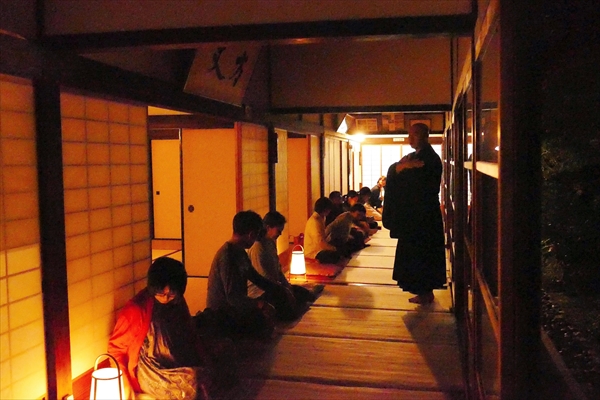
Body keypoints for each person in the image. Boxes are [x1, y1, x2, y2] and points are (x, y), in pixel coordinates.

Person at [108, 257, 211, 400]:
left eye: (171, 293)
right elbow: (115, 350)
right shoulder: (137, 309)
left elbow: (189, 332)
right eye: (161, 293)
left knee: (216, 366)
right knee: (193, 383)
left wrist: (202, 358)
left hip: (176, 359)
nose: (166, 297)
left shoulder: (177, 301)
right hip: (152, 369)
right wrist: (125, 387)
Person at [382, 123, 446, 305]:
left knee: (422, 255)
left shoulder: (429, 159)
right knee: (417, 254)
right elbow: (399, 174)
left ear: (425, 135)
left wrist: (399, 169)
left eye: (415, 134)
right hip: (416, 216)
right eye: (409, 134)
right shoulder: (416, 157)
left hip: (423, 217)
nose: (410, 138)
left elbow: (412, 184)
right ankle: (423, 291)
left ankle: (426, 292)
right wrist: (399, 168)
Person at [206, 210, 293, 336]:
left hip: (237, 307)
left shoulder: (240, 252)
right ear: (251, 235)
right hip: (222, 313)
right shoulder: (227, 255)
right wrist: (260, 304)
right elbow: (233, 298)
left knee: (281, 300)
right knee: (264, 323)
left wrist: (282, 289)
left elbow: (256, 278)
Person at [248, 211, 320, 319]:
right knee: (289, 308)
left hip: (275, 286)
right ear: (268, 227)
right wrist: (283, 289)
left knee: (305, 295)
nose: (280, 233)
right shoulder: (258, 247)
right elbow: (264, 278)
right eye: (279, 230)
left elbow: (278, 269)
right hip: (260, 291)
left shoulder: (271, 243)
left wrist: (287, 285)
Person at [304, 197, 345, 264]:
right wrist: (333, 248)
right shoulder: (314, 221)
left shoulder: (321, 218)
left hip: (321, 247)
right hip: (314, 251)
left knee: (339, 242)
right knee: (335, 255)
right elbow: (320, 243)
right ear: (325, 209)